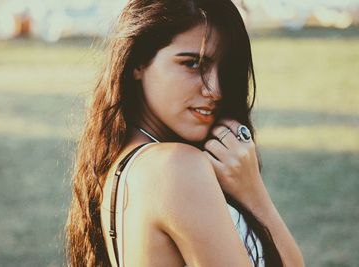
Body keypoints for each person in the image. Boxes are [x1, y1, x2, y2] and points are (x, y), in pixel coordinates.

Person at [66, 0, 305, 266]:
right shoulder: (177, 167)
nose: (215, 90)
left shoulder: (129, 162)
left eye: (225, 69)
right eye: (192, 64)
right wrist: (254, 195)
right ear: (137, 63)